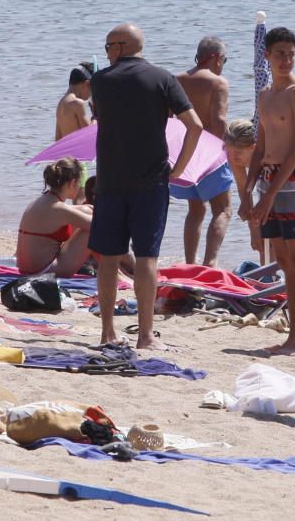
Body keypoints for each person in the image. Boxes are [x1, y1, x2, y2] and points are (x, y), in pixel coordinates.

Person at [89, 23, 202, 349]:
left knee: (108, 259)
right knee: (147, 259)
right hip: (152, 181)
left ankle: (107, 332)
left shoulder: (99, 81)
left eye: (109, 47)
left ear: (120, 47)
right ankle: (145, 336)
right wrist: (179, 169)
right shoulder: (163, 78)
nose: (107, 53)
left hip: (110, 180)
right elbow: (195, 126)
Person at [239, 27, 295, 356]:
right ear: (267, 56)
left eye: (291, 53)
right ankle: (292, 335)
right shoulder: (266, 95)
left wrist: (270, 194)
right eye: (280, 53)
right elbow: (261, 147)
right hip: (269, 177)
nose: (286, 59)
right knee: (283, 260)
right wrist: (248, 190)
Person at [225, 120, 295, 266]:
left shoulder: (270, 151)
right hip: (275, 178)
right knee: (266, 235)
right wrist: (253, 231)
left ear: (253, 148)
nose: (232, 156)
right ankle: (270, 278)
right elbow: (244, 192)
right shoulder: (234, 158)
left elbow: (283, 180)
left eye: (238, 153)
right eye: (228, 150)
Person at [170, 37, 234, 268]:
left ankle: (189, 263)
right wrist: (232, 148)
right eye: (224, 60)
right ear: (216, 57)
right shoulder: (218, 83)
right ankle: (210, 263)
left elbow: (167, 119)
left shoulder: (177, 80)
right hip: (210, 152)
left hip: (184, 152)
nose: (223, 64)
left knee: (195, 209)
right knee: (223, 209)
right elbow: (218, 121)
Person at [15, 158, 93, 277]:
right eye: (79, 182)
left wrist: (89, 208)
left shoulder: (44, 201)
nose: (79, 186)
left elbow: (72, 211)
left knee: (85, 210)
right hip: (43, 271)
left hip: (25, 268)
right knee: (93, 230)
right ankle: (114, 269)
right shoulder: (60, 209)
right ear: (72, 183)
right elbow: (98, 225)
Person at [55, 61, 96, 141]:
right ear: (87, 84)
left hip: (67, 152)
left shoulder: (61, 103)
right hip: (79, 153)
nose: (92, 94)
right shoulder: (77, 103)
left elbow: (58, 139)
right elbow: (89, 133)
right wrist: (96, 117)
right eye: (93, 88)